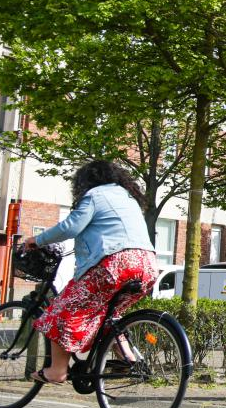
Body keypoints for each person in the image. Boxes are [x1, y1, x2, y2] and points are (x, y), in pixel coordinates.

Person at [22, 160, 157, 384]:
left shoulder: (95, 195)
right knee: (106, 316)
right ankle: (129, 360)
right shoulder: (127, 197)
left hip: (116, 263)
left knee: (61, 309)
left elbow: (70, 227)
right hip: (146, 265)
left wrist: (37, 240)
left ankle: (57, 370)